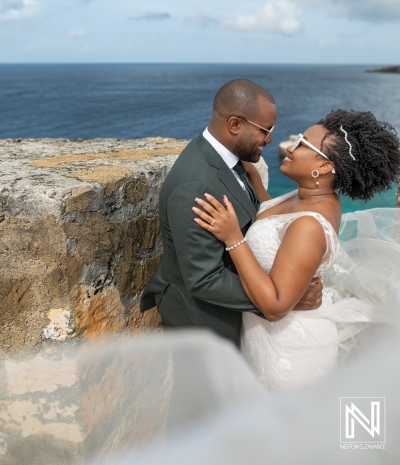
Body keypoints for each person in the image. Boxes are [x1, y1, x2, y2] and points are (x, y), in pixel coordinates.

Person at [193, 109, 400, 391]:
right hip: (270, 338)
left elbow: (277, 305)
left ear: (325, 167)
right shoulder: (314, 196)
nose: (291, 147)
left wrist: (233, 238)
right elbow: (276, 224)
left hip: (289, 354)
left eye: (303, 144)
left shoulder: (310, 226)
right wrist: (252, 174)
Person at [140, 79, 322, 347]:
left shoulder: (233, 161)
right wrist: (282, 300)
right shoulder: (195, 185)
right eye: (265, 130)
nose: (270, 139)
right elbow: (204, 278)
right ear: (235, 125)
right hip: (204, 324)